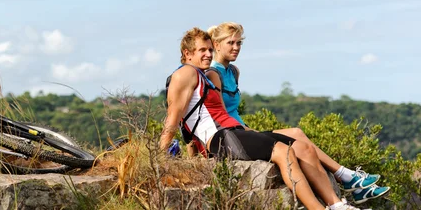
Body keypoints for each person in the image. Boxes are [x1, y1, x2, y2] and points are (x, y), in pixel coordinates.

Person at [160, 27, 365, 210]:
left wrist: (251, 133)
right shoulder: (185, 73)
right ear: (187, 53)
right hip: (220, 139)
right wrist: (161, 156)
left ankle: (337, 205)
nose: (207, 54)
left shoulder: (205, 75)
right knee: (283, 152)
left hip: (233, 132)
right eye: (201, 50)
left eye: (209, 50)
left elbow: (220, 114)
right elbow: (174, 117)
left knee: (303, 147)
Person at [205, 22, 390, 205]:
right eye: (231, 43)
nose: (236, 47)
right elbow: (220, 115)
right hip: (233, 134)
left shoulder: (233, 72)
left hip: (243, 129)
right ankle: (347, 179)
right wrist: (249, 131)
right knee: (298, 145)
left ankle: (345, 180)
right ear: (217, 45)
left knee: (297, 133)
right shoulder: (214, 74)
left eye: (239, 43)